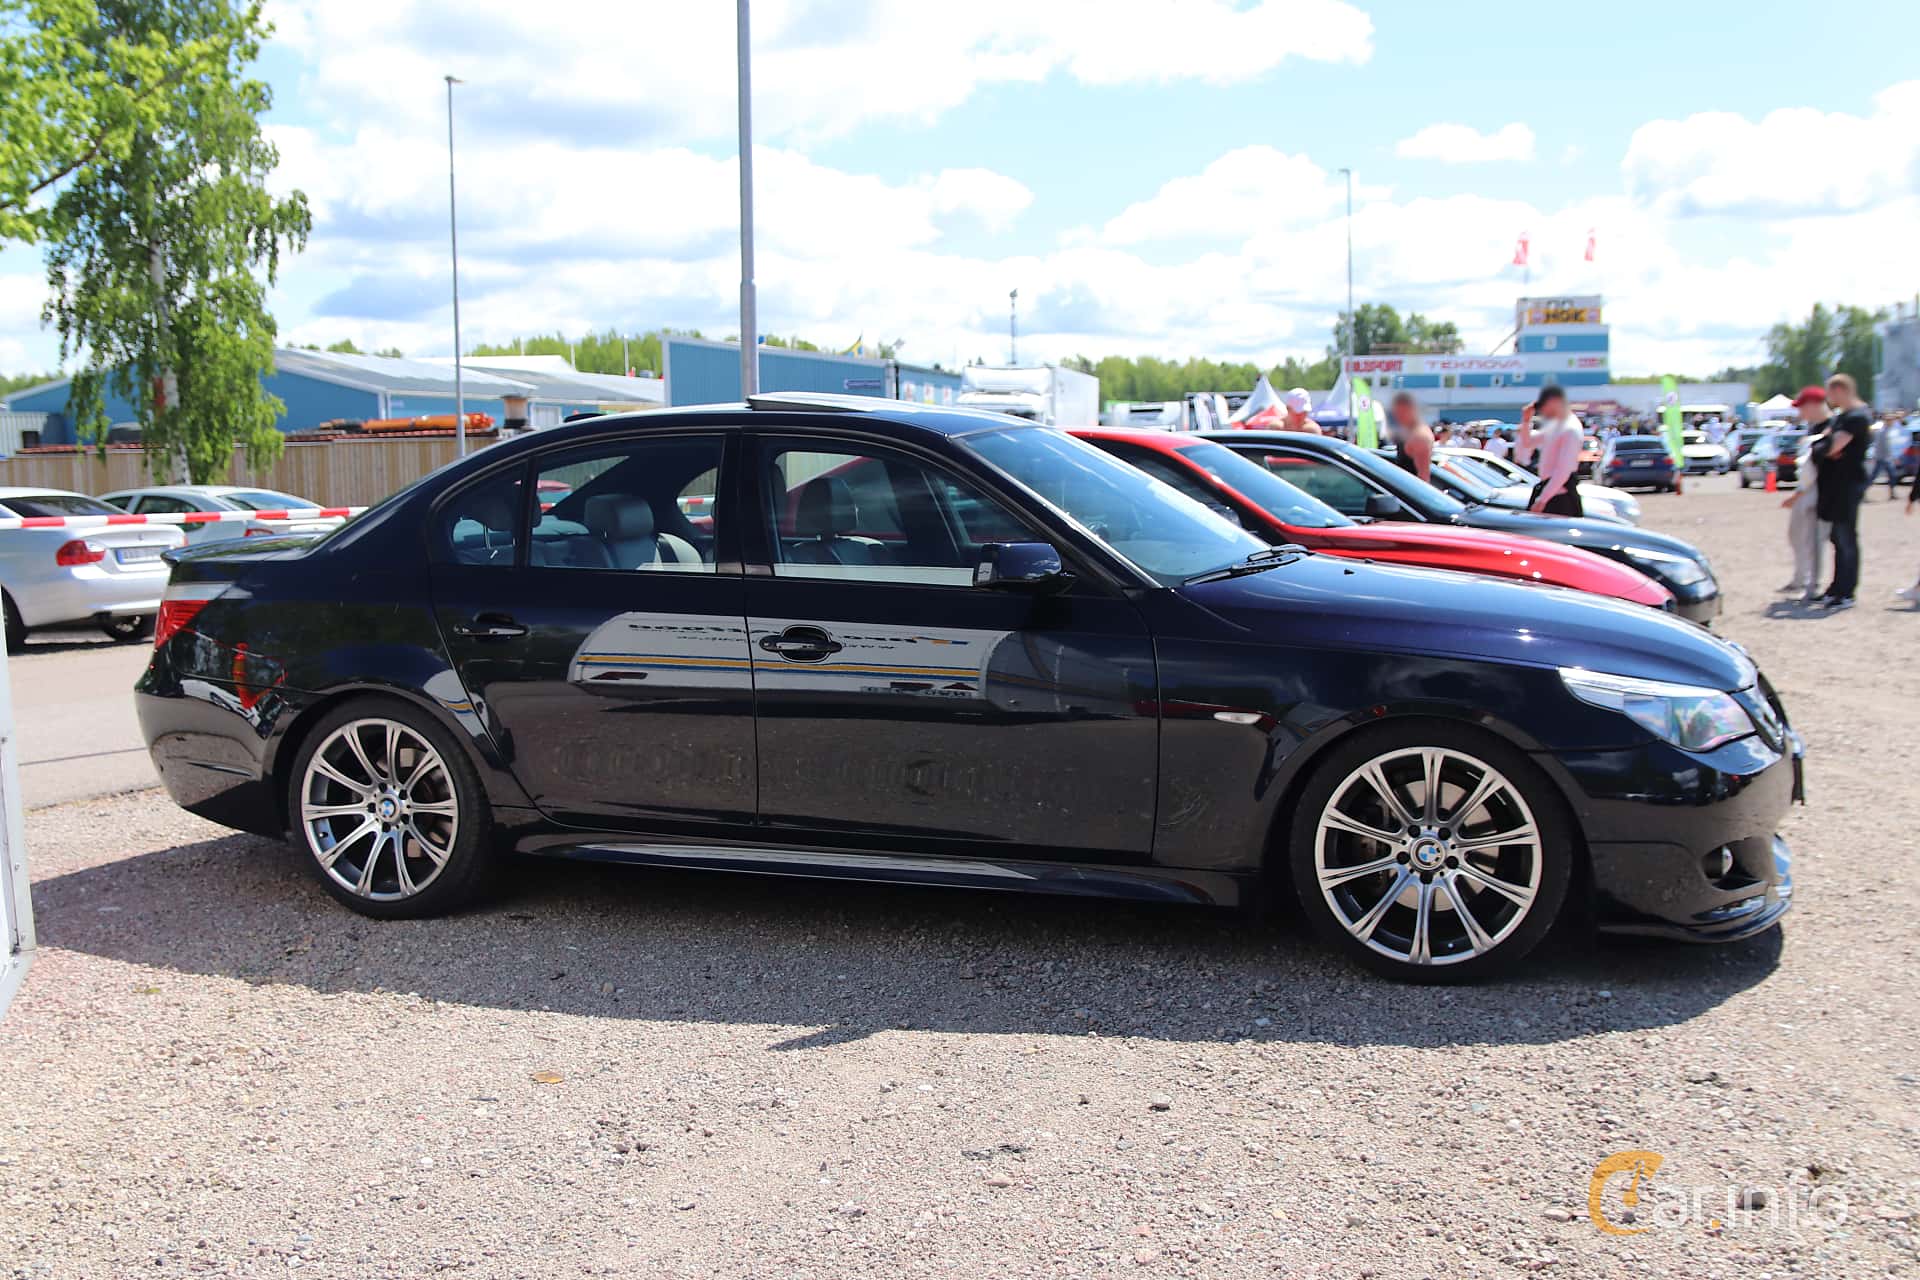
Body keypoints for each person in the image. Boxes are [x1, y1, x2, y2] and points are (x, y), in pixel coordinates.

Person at [1813, 372, 1872, 609]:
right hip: (1835, 486)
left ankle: (1847, 591)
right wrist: (1825, 448)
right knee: (1837, 538)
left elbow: (1829, 446)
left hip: (1846, 486)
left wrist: (1826, 448)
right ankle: (1837, 586)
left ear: (1841, 390)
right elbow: (1821, 445)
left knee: (1846, 538)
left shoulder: (1856, 418)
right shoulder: (1843, 418)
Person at [1780, 386, 1829, 601]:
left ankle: (1811, 582)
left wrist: (1799, 493)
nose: (1800, 413)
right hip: (1807, 488)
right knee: (1797, 536)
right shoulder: (1814, 427)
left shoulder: (1830, 426)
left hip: (1817, 489)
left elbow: (1815, 468)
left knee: (1812, 539)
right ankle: (1801, 578)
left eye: (1803, 407)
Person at [1519, 385, 1583, 516]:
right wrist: (1526, 421)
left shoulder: (1570, 428)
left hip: (1559, 496)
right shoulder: (1556, 425)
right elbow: (1527, 442)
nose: (1542, 411)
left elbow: (1563, 470)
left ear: (1555, 401)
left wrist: (1543, 500)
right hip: (1550, 491)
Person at [1386, 391, 1434, 482]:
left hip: (1411, 492)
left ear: (1413, 410)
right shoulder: (1409, 431)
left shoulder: (1419, 436)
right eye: (1396, 413)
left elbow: (1423, 476)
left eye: (1403, 412)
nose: (1399, 417)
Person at [1866, 416, 1901, 499]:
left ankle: (1892, 493)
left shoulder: (1886, 431)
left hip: (1883, 458)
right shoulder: (1883, 432)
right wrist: (1893, 458)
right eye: (1891, 421)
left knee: (1892, 476)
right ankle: (1862, 493)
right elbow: (1884, 447)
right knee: (1876, 477)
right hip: (1883, 458)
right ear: (1887, 421)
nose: (1892, 423)